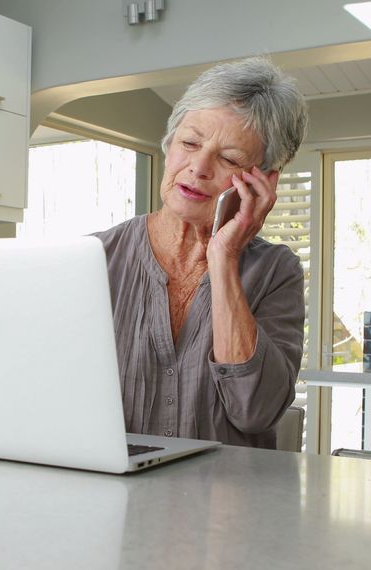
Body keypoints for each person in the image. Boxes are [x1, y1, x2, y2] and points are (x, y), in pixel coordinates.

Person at [94, 57, 308, 448]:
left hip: (228, 505)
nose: (199, 167)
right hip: (114, 501)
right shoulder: (93, 259)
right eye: (189, 143)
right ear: (169, 145)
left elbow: (255, 411)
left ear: (263, 180)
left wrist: (223, 258)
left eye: (228, 159)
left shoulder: (277, 272)